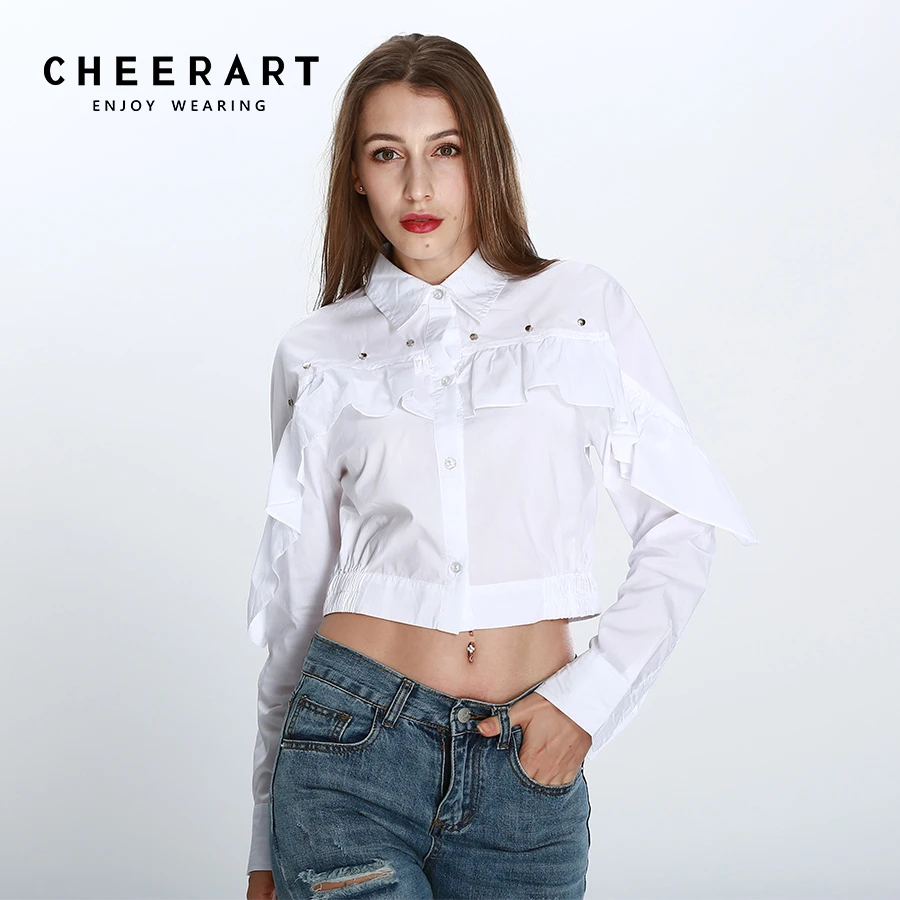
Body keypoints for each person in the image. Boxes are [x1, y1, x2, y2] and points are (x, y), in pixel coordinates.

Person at [245, 32, 757, 900]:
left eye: (445, 150)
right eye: (386, 154)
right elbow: (295, 608)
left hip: (527, 775)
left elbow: (680, 525)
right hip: (346, 757)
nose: (418, 187)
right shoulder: (316, 352)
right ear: (356, 176)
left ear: (484, 157)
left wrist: (588, 701)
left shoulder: (583, 309)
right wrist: (263, 840)